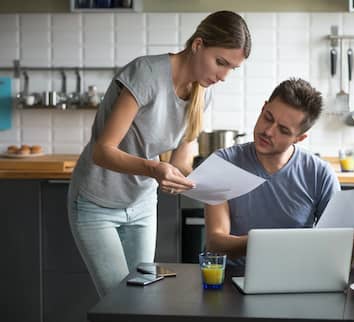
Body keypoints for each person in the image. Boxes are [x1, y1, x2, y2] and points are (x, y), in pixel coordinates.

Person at [67, 10, 251, 297]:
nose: (224, 76)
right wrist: (155, 170)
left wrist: (202, 182)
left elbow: (182, 157)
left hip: (141, 204)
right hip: (96, 203)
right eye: (221, 62)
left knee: (141, 297)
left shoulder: (204, 91)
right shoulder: (146, 74)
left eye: (232, 68)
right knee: (118, 300)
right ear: (198, 44)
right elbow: (102, 152)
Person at [205, 78, 354, 267]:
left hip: (298, 279)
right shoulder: (224, 163)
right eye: (268, 118)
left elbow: (341, 259)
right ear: (263, 108)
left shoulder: (320, 174)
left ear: (299, 138)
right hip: (231, 280)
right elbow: (216, 244)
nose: (268, 131)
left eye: (283, 130)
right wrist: (274, 242)